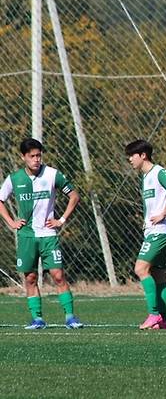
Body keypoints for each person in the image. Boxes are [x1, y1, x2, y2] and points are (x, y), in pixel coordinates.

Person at [0, 138, 83, 330]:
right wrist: (11, 222)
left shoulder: (53, 174)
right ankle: (37, 319)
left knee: (58, 275)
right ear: (23, 157)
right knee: (30, 278)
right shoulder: (15, 179)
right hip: (27, 236)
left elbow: (74, 196)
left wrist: (61, 220)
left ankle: (70, 317)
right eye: (32, 156)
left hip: (48, 235)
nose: (36, 159)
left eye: (39, 155)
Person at [126, 140, 166, 330]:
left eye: (132, 155)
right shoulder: (145, 177)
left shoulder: (158, 172)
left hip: (159, 232)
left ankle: (154, 314)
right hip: (153, 231)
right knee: (158, 275)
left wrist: (164, 213)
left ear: (143, 155)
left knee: (140, 269)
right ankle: (163, 320)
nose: (129, 159)